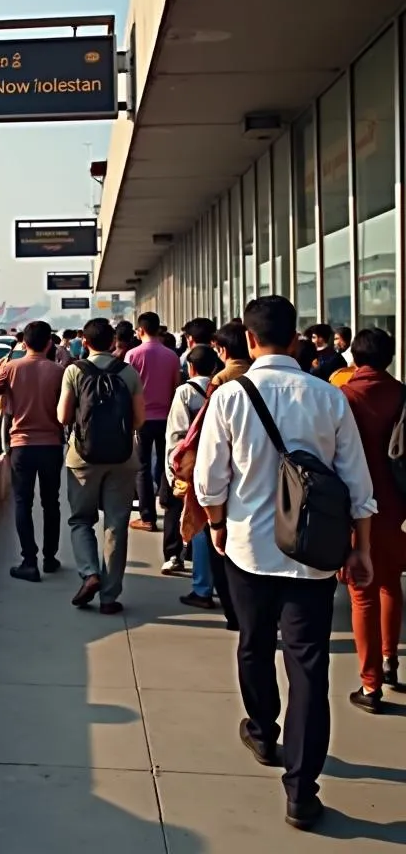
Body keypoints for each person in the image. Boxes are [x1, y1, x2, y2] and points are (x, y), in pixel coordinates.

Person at [194, 296, 375, 831]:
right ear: (296, 337)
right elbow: (356, 482)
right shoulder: (328, 396)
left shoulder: (230, 397)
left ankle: (263, 729)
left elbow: (209, 481)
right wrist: (360, 548)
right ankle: (301, 790)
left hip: (249, 548)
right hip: (313, 557)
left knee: (253, 644)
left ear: (250, 341)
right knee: (309, 668)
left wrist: (217, 526)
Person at [338, 327, 406, 708]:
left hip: (356, 508)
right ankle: (390, 660)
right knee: (391, 584)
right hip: (398, 508)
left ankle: (370, 684)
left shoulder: (343, 397)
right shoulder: (403, 394)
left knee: (361, 594)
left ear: (354, 358)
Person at [58, 317, 143, 613]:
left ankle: (89, 573)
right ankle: (109, 597)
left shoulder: (74, 371)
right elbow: (140, 420)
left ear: (86, 342)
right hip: (122, 457)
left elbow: (63, 417)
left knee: (81, 520)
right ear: (112, 342)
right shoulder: (128, 372)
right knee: (116, 525)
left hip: (82, 457)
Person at [0, 320, 65, 583]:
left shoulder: (10, 368)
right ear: (49, 343)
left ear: (24, 343)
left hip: (21, 445)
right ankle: (50, 558)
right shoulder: (59, 371)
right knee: (51, 502)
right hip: (52, 444)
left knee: (23, 502)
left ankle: (29, 561)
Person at [160, 344, 213, 576]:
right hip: (210, 459)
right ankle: (196, 554)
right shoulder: (219, 389)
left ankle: (173, 555)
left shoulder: (185, 392)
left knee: (175, 507)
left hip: (186, 462)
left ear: (190, 368)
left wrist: (172, 469)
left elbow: (176, 434)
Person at [125, 311, 181, 532]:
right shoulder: (172, 356)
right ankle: (169, 509)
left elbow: (129, 389)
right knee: (168, 466)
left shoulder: (133, 355)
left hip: (141, 420)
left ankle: (147, 517)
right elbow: (176, 388)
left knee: (142, 468)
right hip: (167, 418)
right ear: (158, 329)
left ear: (139, 331)